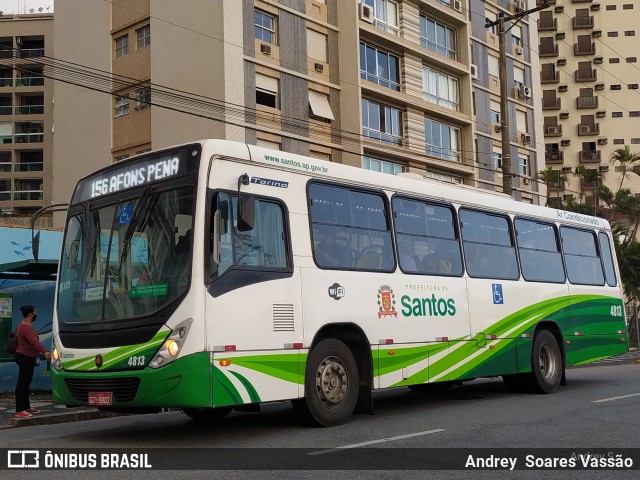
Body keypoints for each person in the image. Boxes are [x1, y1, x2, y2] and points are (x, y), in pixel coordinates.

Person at [14, 305, 50, 418]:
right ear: (30, 315)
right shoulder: (26, 327)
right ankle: (19, 409)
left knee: (26, 382)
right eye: (35, 313)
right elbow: (34, 342)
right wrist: (45, 352)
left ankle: (26, 406)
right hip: (25, 357)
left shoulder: (25, 325)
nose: (36, 315)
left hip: (27, 357)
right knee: (22, 383)